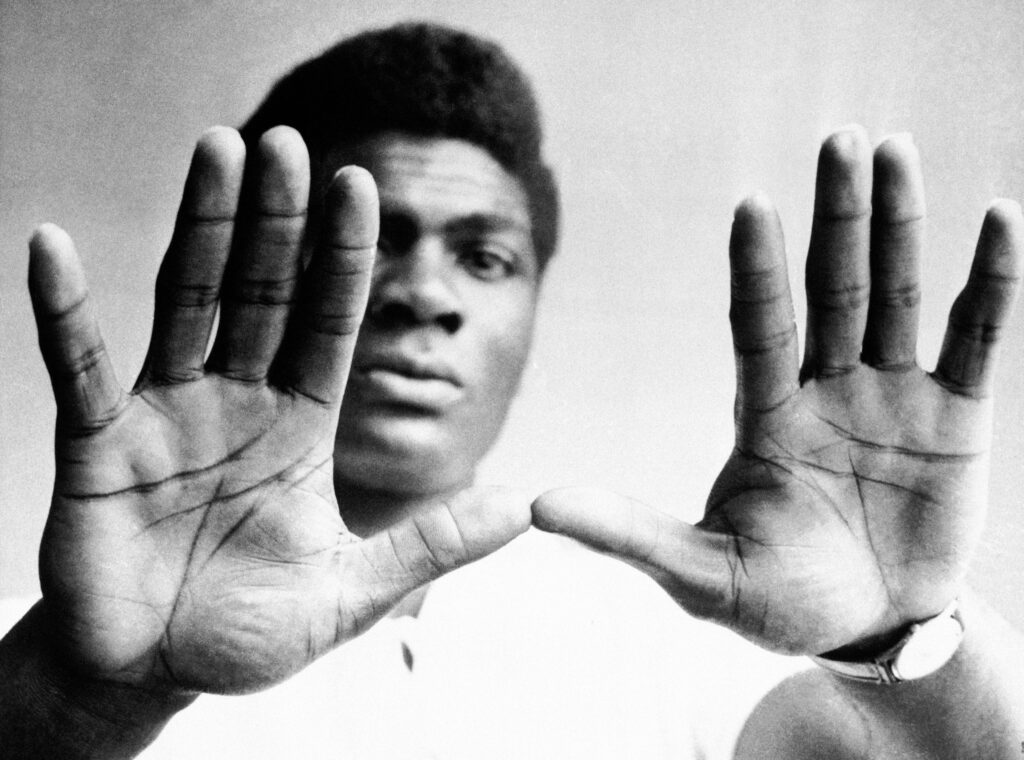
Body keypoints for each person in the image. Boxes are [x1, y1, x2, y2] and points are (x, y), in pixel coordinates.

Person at [2, 20, 1023, 759]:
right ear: (258, 269)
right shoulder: (61, 650)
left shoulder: (669, 650)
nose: (423, 295)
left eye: (485, 257)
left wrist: (903, 635)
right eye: (370, 239)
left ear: (532, 315)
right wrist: (83, 700)